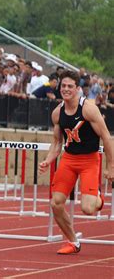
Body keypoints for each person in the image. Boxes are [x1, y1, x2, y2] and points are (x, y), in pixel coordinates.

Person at [39, 70, 113, 254]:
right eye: (63, 86)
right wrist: (48, 160)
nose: (65, 89)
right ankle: (73, 242)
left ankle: (97, 196)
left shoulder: (88, 108)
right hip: (69, 159)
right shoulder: (57, 113)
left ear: (78, 88)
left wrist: (111, 167)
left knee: (88, 208)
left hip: (89, 160)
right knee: (56, 203)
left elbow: (106, 137)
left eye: (70, 86)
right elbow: (57, 142)